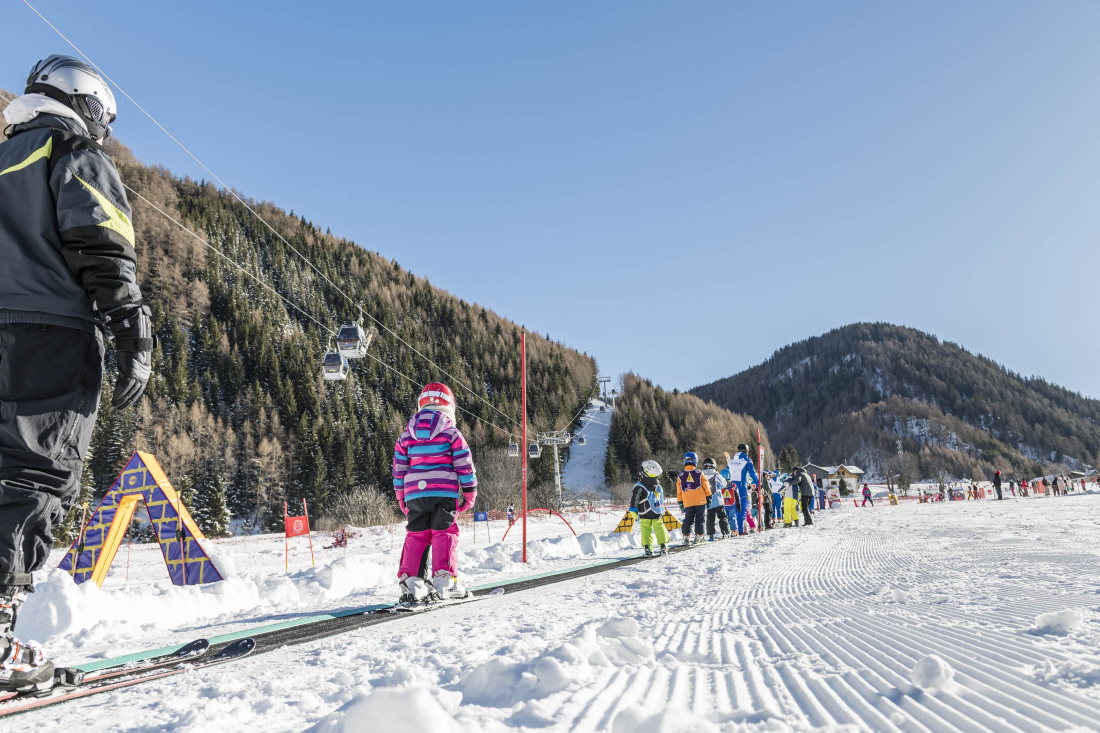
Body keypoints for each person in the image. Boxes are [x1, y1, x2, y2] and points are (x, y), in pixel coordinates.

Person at [0, 55, 153, 693]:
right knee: (32, 474)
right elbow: (101, 242)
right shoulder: (71, 153)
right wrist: (130, 328)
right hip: (48, 334)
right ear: (84, 103)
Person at [393, 383, 477, 603]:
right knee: (444, 533)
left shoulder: (405, 436)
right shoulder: (451, 433)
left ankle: (413, 583)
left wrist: (401, 496)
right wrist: (469, 493)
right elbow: (464, 465)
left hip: (414, 495)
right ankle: (444, 582)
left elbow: (399, 469)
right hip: (443, 492)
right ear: (450, 406)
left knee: (416, 535)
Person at [629, 460, 670, 556]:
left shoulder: (639, 486)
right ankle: (663, 546)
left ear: (646, 471)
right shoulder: (658, 486)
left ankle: (648, 549)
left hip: (644, 512)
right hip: (657, 511)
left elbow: (635, 499)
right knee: (660, 528)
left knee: (645, 529)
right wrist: (662, 508)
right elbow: (662, 499)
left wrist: (633, 510)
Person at [676, 451, 711, 545]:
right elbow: (706, 485)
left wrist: (680, 501)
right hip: (700, 501)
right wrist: (708, 496)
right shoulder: (699, 473)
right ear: (695, 460)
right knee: (700, 519)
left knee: (688, 519)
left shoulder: (680, 475)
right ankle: (699, 536)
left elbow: (679, 491)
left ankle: (686, 537)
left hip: (688, 502)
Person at [724, 444, 760, 536]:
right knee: (742, 509)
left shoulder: (731, 461)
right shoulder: (747, 461)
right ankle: (740, 530)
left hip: (732, 487)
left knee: (734, 509)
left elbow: (728, 473)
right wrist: (758, 482)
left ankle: (735, 530)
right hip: (741, 487)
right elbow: (753, 475)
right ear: (746, 451)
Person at [700, 458, 730, 540]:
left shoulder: (701, 474)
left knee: (710, 518)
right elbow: (724, 484)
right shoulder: (716, 474)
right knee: (722, 517)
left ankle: (711, 534)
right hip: (718, 500)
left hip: (708, 501)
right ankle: (725, 532)